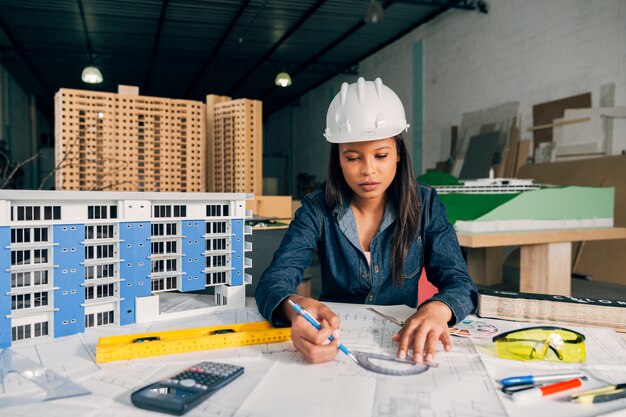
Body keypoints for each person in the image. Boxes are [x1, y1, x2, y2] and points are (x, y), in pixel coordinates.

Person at [255, 77, 477, 364]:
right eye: (352, 158)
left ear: (398, 153)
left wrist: (438, 308)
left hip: (400, 343)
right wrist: (296, 306)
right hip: (337, 342)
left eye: (381, 155)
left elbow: (460, 282)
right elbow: (274, 279)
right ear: (337, 159)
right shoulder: (316, 209)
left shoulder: (426, 205)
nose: (368, 170)